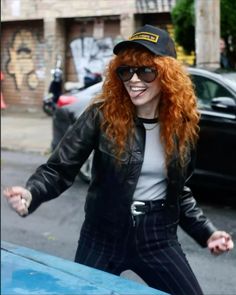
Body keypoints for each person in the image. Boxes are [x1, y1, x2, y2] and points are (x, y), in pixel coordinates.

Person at [4, 25, 234, 295]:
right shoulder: (101, 115)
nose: (134, 80)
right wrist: (32, 193)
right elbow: (59, 168)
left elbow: (179, 191)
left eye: (146, 70)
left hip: (158, 237)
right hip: (102, 235)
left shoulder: (181, 124)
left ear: (168, 75)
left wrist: (207, 233)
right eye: (126, 70)